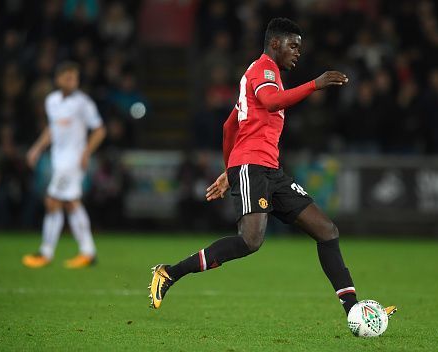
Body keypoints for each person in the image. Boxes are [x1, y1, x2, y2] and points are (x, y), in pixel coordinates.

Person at [149, 18, 396, 321]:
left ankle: (354, 310)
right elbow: (270, 102)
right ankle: (169, 273)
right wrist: (314, 84)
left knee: (327, 230)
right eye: (293, 45)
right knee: (251, 241)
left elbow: (230, 126)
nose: (297, 52)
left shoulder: (266, 75)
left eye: (300, 47)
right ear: (275, 43)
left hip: (269, 169)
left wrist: (229, 171)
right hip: (253, 166)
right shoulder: (263, 69)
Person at [22, 61, 106, 269]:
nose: (72, 81)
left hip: (73, 160)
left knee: (52, 201)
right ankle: (88, 252)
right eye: (67, 77)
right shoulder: (52, 101)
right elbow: (52, 129)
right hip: (58, 160)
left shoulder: (83, 103)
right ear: (58, 79)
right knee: (71, 203)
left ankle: (46, 252)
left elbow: (100, 130)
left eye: (74, 77)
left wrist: (86, 152)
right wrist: (36, 148)